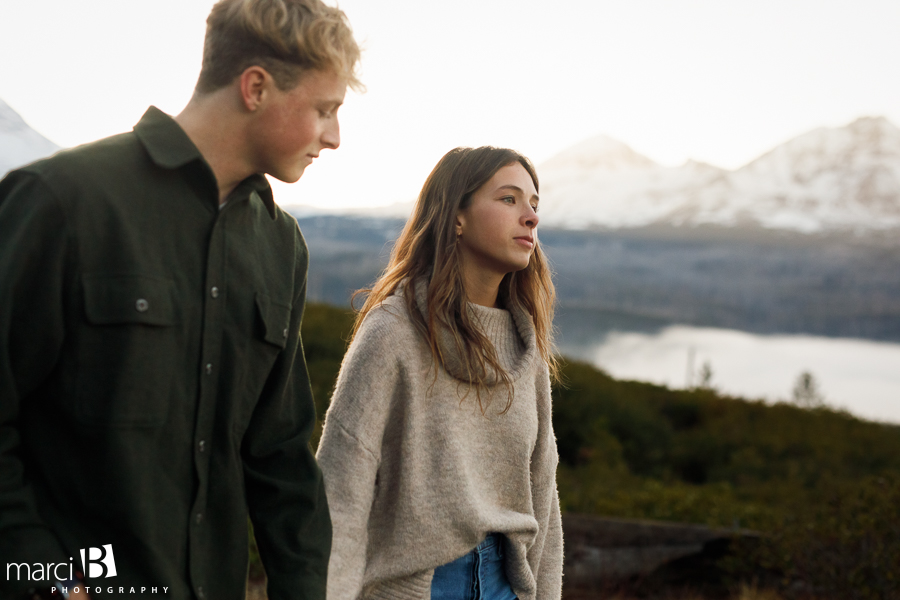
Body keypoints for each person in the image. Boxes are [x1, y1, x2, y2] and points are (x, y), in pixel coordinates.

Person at [0, 1, 360, 598]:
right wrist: (47, 580)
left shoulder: (280, 244)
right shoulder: (62, 202)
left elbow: (281, 455)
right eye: (325, 110)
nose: (335, 136)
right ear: (256, 88)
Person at [316, 147, 564, 600]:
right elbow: (341, 491)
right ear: (456, 217)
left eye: (534, 203)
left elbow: (542, 493)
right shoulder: (393, 331)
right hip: (418, 587)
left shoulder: (526, 344)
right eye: (509, 199)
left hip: (506, 585)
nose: (530, 217)